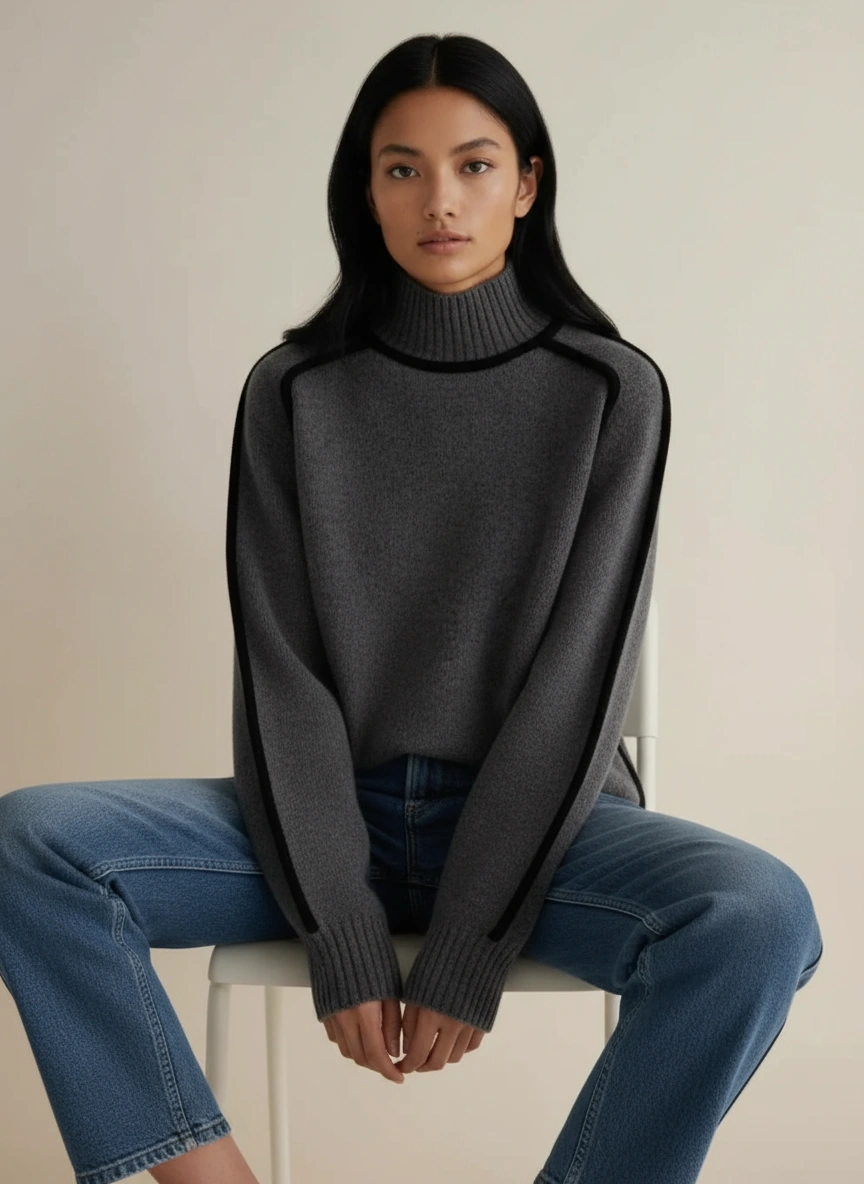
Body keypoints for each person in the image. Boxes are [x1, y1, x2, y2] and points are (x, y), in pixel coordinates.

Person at [0, 32, 822, 1184]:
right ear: (366, 189)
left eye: (474, 165)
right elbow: (283, 676)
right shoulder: (293, 390)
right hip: (326, 820)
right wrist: (341, 925)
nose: (440, 200)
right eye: (403, 168)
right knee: (31, 844)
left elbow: (573, 692)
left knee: (760, 914)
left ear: (526, 184)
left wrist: (472, 937)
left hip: (550, 832)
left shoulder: (610, 389)